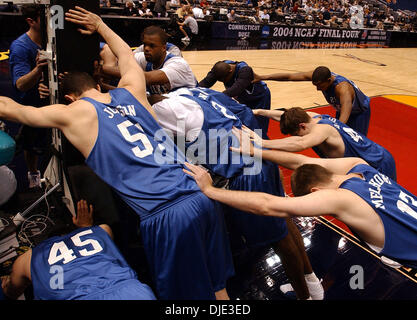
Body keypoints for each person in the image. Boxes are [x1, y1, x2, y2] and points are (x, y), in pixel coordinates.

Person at [0, 6, 234, 300]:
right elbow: (125, 55)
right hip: (201, 192)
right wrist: (99, 24)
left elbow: (13, 109)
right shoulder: (132, 89)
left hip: (166, 212)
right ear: (97, 84)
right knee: (217, 286)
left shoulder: (75, 113)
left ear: (70, 97)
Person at [149, 87, 324, 300]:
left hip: (245, 173)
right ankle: (311, 281)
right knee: (283, 222)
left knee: (279, 240)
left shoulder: (163, 111)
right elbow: (242, 110)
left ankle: (305, 296)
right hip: (258, 157)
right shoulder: (189, 92)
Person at [184, 143, 417, 270]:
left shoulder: (340, 198)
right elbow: (302, 161)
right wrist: (255, 149)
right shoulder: (360, 166)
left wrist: (211, 190)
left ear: (315, 192)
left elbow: (269, 205)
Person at [0, 199, 157, 300]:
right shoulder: (102, 230)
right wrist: (85, 227)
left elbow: (10, 291)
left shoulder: (28, 258)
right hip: (130, 291)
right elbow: (96, 233)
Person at [248, 107, 397, 181]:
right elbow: (284, 114)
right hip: (374, 154)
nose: (295, 137)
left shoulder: (322, 130)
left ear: (302, 126)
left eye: (296, 133)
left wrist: (263, 142)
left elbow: (301, 143)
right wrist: (260, 111)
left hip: (378, 163)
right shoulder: (312, 117)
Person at [253, 66, 372, 136]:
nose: (317, 89)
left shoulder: (343, 89)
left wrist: (334, 130)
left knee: (353, 138)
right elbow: (289, 76)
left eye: (319, 86)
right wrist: (263, 77)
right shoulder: (319, 76)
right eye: (315, 85)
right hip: (340, 107)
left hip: (358, 113)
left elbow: (345, 115)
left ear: (329, 80)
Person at [9, 4, 49, 188]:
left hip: (55, 102)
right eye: (44, 18)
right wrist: (38, 70)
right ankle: (33, 178)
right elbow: (20, 84)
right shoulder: (20, 47)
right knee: (30, 145)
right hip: (32, 105)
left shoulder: (53, 39)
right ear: (30, 21)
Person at [101, 25, 197, 95]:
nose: (146, 48)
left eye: (151, 46)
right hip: (170, 110)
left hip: (193, 111)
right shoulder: (143, 59)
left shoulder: (178, 64)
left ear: (164, 48)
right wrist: (102, 84)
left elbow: (147, 78)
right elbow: (123, 62)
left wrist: (103, 69)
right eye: (145, 44)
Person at [199, 61, 272, 134]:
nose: (224, 82)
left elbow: (235, 90)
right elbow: (206, 82)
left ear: (230, 71)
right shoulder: (220, 67)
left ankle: (262, 143)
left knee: (259, 127)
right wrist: (193, 91)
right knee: (245, 124)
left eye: (225, 79)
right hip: (244, 98)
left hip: (260, 98)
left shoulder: (245, 71)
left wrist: (212, 98)